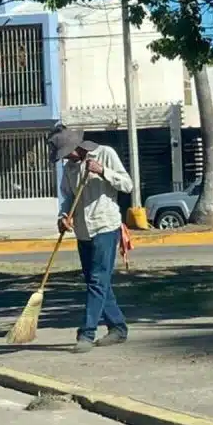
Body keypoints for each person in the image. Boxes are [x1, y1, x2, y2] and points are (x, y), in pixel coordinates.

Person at [47, 124, 134, 353]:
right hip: (83, 232)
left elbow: (127, 185)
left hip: (105, 226)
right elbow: (67, 196)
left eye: (68, 154)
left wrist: (103, 171)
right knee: (97, 282)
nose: (67, 159)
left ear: (76, 146)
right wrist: (64, 216)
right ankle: (118, 327)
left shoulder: (105, 153)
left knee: (97, 280)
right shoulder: (70, 169)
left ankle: (86, 333)